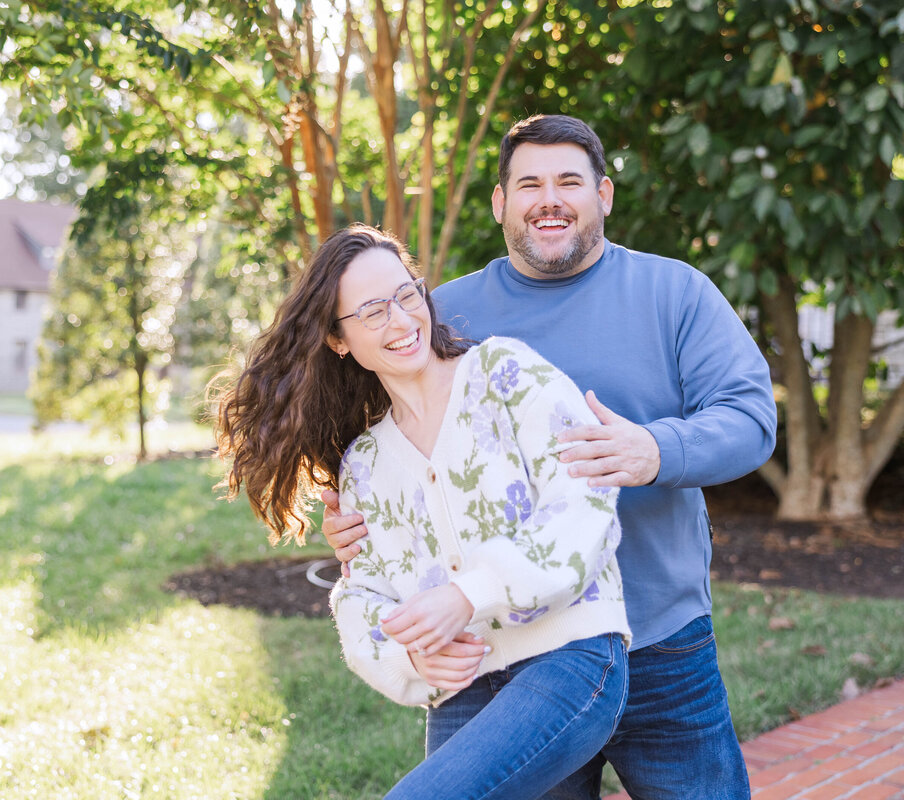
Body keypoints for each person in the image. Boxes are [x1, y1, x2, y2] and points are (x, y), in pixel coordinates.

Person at [321, 114, 778, 799]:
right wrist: (350, 521)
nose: (549, 198)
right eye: (529, 183)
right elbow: (398, 457)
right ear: (501, 203)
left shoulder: (672, 292)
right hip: (510, 655)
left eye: (569, 181)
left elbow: (750, 418)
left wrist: (653, 449)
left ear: (604, 195)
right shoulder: (442, 314)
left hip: (661, 638)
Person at [213, 223, 631, 799]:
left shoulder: (505, 376)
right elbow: (362, 594)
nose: (402, 320)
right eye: (373, 311)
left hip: (569, 657)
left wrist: (468, 596)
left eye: (407, 295)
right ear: (338, 339)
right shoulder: (364, 463)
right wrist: (409, 656)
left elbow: (584, 500)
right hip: (464, 683)